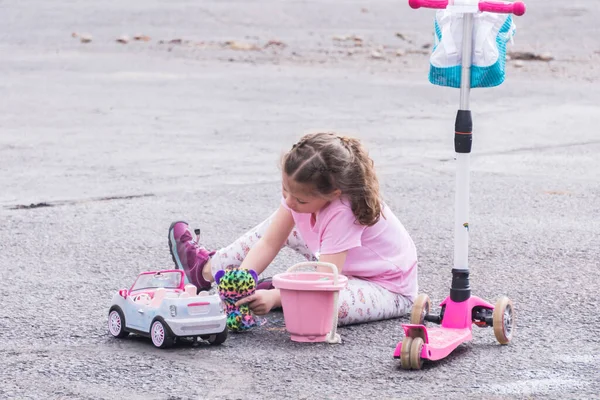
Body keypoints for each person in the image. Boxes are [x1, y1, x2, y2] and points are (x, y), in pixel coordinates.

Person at [168, 132, 418, 326]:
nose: (289, 201)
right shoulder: (300, 195)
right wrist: (240, 285)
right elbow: (269, 242)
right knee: (277, 227)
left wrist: (278, 297)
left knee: (320, 311)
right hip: (339, 263)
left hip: (386, 288)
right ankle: (207, 270)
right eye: (285, 190)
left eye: (300, 199)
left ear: (333, 194)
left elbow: (324, 282)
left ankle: (283, 294)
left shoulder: (344, 210)